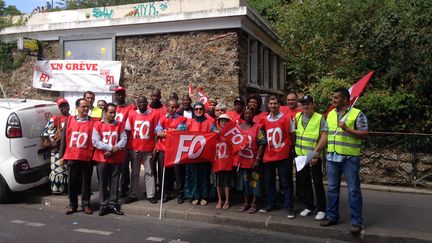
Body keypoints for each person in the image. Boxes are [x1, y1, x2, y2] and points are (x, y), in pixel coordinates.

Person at [320, 88, 368, 234]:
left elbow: (365, 134)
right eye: (333, 97)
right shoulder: (331, 115)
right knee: (332, 189)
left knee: (353, 190)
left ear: (346, 100)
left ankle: (356, 222)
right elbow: (326, 135)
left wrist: (347, 128)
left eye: (336, 98)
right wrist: (316, 151)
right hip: (332, 157)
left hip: (349, 158)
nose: (333, 100)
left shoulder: (357, 113)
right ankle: (332, 216)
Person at [259, 95, 296, 219]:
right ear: (268, 105)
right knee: (269, 181)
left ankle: (289, 206)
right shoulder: (264, 119)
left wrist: (292, 149)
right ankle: (271, 203)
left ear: (279, 105)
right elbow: (261, 136)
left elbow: (292, 135)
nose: (273, 105)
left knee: (286, 182)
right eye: (271, 103)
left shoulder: (286, 118)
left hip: (283, 155)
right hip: (269, 155)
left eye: (275, 103)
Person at [59, 98, 95, 215]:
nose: (86, 109)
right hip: (72, 156)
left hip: (86, 157)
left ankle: (86, 204)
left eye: (87, 106)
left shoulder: (94, 122)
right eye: (83, 106)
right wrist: (61, 156)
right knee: (72, 182)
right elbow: (64, 138)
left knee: (86, 182)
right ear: (77, 108)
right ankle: (72, 204)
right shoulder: (69, 120)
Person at [294, 95, 327, 221]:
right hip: (300, 155)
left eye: (308, 104)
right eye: (304, 104)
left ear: (313, 104)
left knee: (318, 183)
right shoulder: (298, 116)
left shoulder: (320, 118)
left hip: (313, 156)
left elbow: (324, 137)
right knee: (304, 182)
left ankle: (322, 209)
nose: (306, 106)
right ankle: (309, 206)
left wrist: (315, 154)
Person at [92, 103, 128, 216]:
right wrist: (110, 148)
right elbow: (95, 141)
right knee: (102, 183)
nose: (113, 115)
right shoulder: (98, 125)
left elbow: (124, 139)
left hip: (116, 158)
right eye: (111, 112)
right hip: (102, 158)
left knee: (114, 182)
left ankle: (113, 204)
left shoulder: (120, 125)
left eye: (114, 112)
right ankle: (103, 204)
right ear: (105, 112)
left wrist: (114, 149)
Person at [124, 96, 160, 204]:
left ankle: (151, 194)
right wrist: (126, 147)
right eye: (140, 102)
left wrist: (155, 147)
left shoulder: (154, 114)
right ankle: (133, 194)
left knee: (149, 172)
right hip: (135, 148)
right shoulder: (132, 114)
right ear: (137, 103)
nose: (142, 104)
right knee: (135, 173)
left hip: (148, 148)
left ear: (147, 103)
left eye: (144, 102)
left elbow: (156, 133)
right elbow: (127, 131)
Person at [181, 102, 216, 206]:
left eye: (200, 109)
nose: (198, 111)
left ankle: (205, 196)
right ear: (194, 111)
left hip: (205, 156)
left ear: (204, 110)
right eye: (196, 109)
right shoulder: (189, 122)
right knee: (193, 176)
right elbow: (180, 130)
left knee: (204, 176)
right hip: (192, 156)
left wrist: (217, 132)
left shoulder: (210, 122)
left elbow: (214, 131)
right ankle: (195, 196)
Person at [155, 99, 187, 203]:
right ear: (167, 107)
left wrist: (167, 131)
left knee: (178, 173)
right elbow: (158, 133)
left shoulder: (182, 119)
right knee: (164, 172)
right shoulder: (162, 118)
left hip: (176, 149)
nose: (173, 109)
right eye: (171, 107)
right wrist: (171, 131)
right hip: (163, 148)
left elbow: (180, 131)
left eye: (175, 107)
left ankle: (180, 194)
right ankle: (166, 193)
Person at [235, 107, 266, 214]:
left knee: (255, 182)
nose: (248, 114)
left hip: (254, 159)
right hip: (242, 160)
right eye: (246, 113)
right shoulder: (238, 128)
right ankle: (246, 202)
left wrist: (258, 158)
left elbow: (262, 143)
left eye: (250, 113)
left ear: (253, 115)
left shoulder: (258, 127)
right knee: (244, 182)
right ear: (243, 115)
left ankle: (254, 203)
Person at [42, 98, 70, 194]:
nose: (63, 108)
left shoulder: (72, 118)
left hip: (68, 150)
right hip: (57, 150)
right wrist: (50, 142)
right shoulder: (55, 118)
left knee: (66, 170)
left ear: (68, 106)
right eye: (61, 106)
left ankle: (65, 189)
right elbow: (45, 132)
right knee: (57, 171)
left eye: (65, 105)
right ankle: (56, 190)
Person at [114, 86, 136, 197]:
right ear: (116, 95)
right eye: (118, 94)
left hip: (126, 141)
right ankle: (112, 187)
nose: (120, 96)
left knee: (124, 166)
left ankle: (124, 187)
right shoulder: (112, 108)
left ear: (125, 95)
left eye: (122, 94)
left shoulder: (130, 108)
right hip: (113, 140)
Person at [214, 114, 234, 210]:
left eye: (225, 121)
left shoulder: (231, 133)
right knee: (218, 182)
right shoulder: (215, 133)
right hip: (217, 161)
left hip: (227, 161)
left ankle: (227, 200)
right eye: (221, 121)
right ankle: (220, 200)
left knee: (226, 182)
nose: (223, 123)